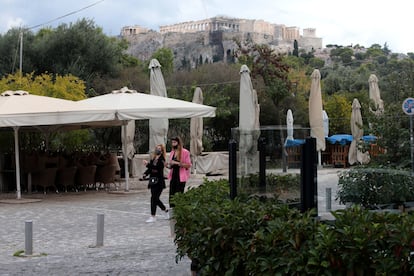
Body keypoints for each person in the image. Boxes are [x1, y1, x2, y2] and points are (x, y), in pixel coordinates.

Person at [143, 144, 169, 223]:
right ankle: (164, 211)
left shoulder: (162, 160)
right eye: (157, 148)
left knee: (154, 198)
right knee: (154, 198)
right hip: (152, 181)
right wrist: (145, 173)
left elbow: (157, 168)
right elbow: (151, 168)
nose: (158, 150)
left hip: (159, 181)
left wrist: (147, 165)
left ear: (162, 150)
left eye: (159, 149)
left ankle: (153, 215)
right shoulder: (154, 158)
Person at [166, 136, 192, 208]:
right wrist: (167, 165)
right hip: (173, 175)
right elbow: (171, 166)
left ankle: (179, 211)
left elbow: (188, 165)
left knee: (179, 194)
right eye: (172, 142)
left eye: (174, 142)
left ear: (178, 143)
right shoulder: (172, 152)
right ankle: (172, 212)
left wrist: (177, 163)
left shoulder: (185, 152)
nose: (173, 144)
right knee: (171, 195)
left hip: (180, 177)